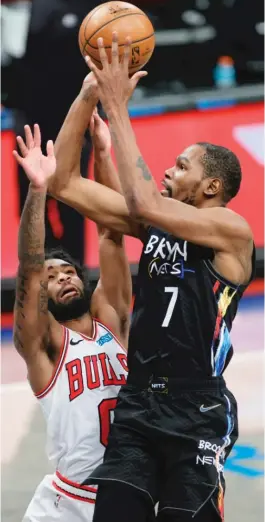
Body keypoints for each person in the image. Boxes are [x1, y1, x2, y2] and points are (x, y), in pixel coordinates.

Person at [49, 36, 255, 521]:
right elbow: (60, 181)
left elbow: (143, 201)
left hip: (196, 408)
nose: (168, 169)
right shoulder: (156, 224)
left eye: (181, 166)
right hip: (138, 403)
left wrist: (120, 106)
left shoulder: (231, 229)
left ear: (211, 187)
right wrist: (88, 96)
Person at [13, 114, 131, 522]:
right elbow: (29, 266)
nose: (62, 278)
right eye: (52, 278)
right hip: (70, 505)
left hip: (132, 491)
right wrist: (38, 190)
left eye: (68, 272)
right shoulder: (46, 347)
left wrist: (102, 150)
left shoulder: (110, 321)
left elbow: (111, 232)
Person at [14, 0, 111, 262]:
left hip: (74, 123)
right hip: (33, 120)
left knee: (71, 203)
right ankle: (36, 280)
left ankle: (74, 279)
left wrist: (93, 120)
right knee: (32, 203)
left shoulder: (99, 5)